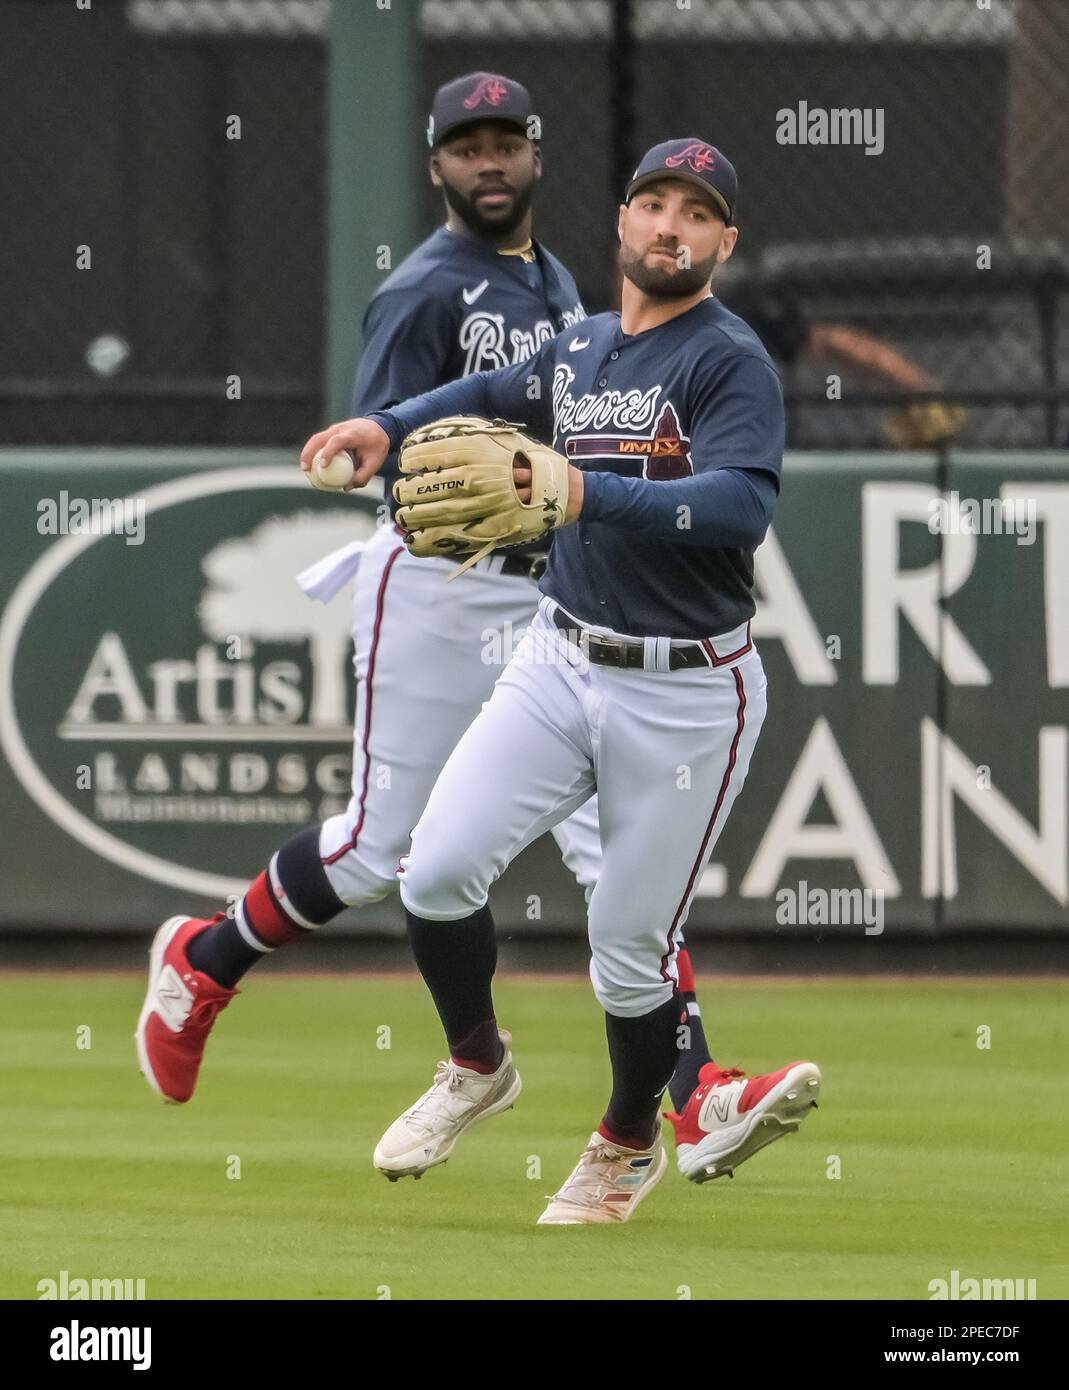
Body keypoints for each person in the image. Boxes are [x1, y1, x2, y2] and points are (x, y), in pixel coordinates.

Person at [135, 79, 718, 1139]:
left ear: (537, 155)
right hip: (437, 589)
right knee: (373, 852)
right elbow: (385, 448)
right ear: (434, 163)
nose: (486, 162)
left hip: (547, 602)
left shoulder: (553, 281)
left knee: (613, 854)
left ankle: (694, 1100)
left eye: (504, 142)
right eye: (464, 146)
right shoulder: (423, 291)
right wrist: (459, 461)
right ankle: (200, 962)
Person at [301, 138, 822, 1225]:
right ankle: (477, 1064)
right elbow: (489, 387)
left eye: (696, 212)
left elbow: (738, 507)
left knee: (626, 955)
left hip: (688, 694)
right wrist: (382, 426)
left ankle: (628, 1141)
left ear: (724, 242)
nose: (670, 226)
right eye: (652, 204)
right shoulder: (580, 346)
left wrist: (582, 491)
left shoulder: (728, 360)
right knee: (433, 870)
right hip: (559, 657)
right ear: (622, 225)